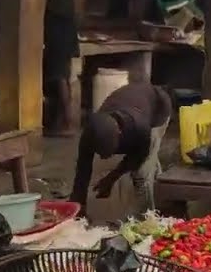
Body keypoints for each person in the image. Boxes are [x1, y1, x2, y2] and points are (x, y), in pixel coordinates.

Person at [70, 82, 173, 215]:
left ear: (119, 132)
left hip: (159, 107)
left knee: (140, 175)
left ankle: (148, 220)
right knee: (147, 161)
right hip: (136, 102)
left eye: (109, 151)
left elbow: (136, 158)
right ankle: (158, 185)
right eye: (101, 153)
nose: (104, 157)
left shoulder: (139, 129)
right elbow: (82, 172)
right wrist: (78, 208)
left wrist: (111, 179)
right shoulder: (89, 133)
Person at [43, 0, 80, 135]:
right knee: (62, 78)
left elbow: (56, 12)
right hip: (65, 37)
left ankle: (67, 124)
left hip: (59, 37)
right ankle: (63, 122)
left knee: (60, 78)